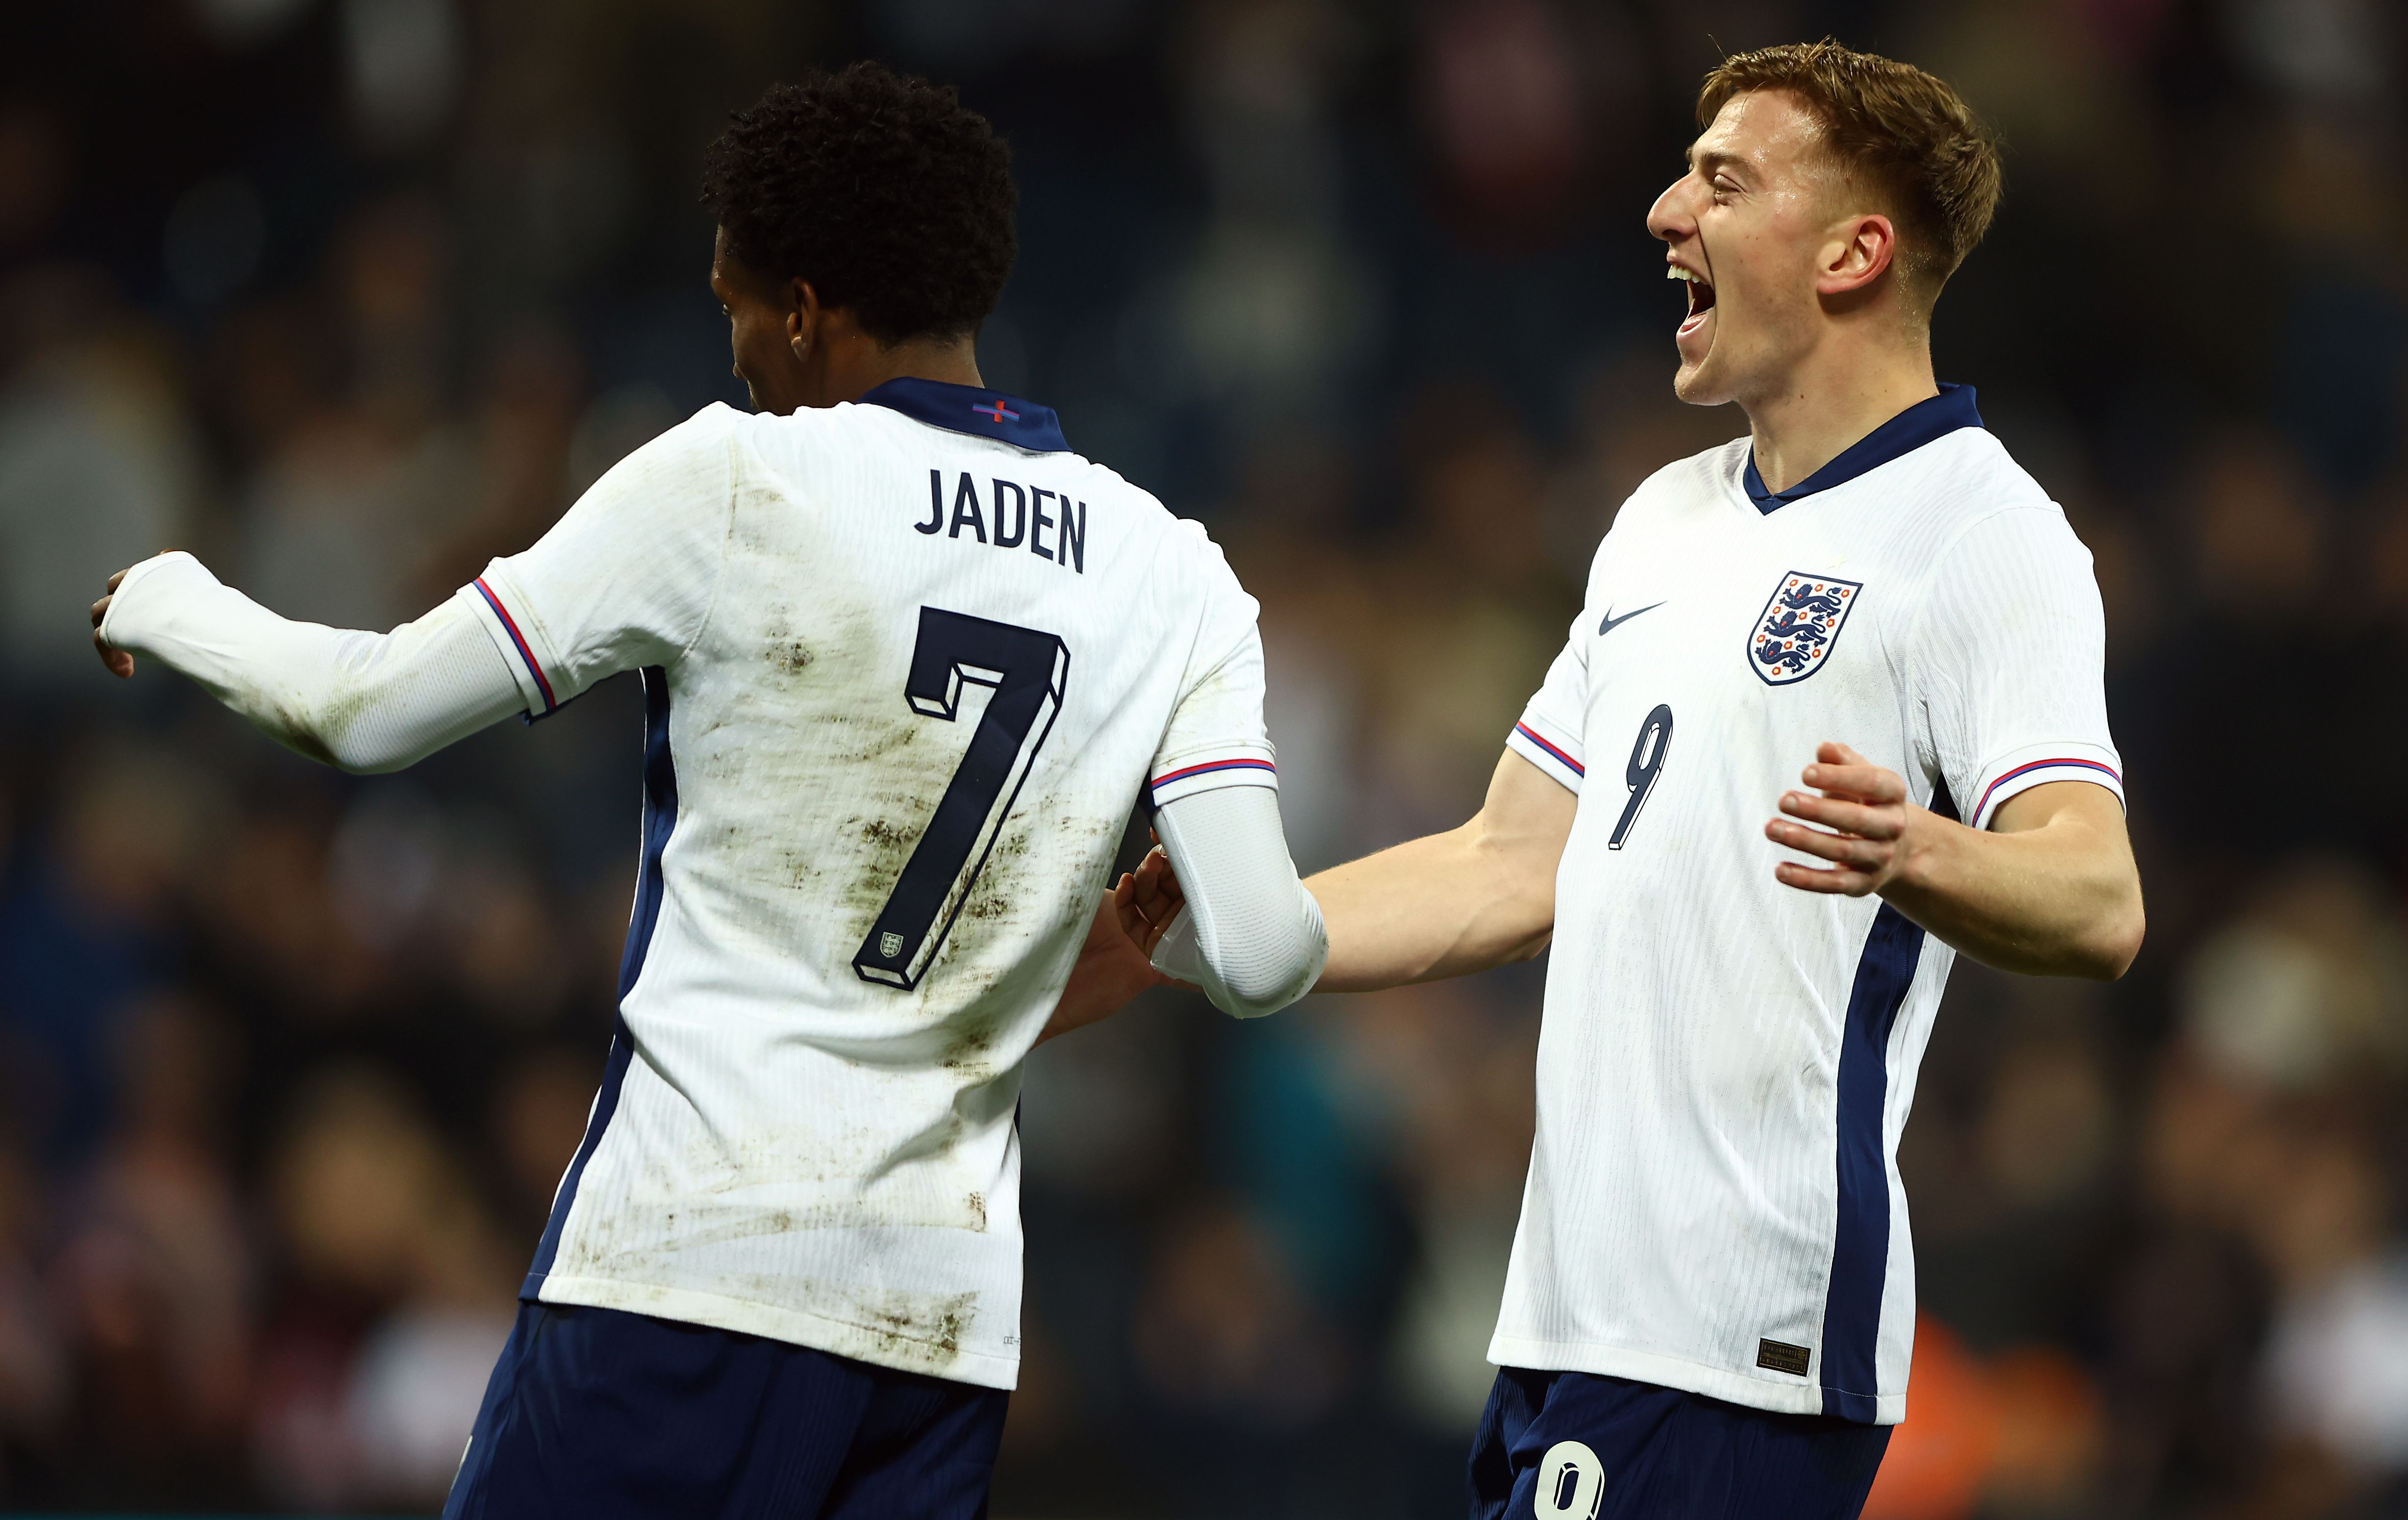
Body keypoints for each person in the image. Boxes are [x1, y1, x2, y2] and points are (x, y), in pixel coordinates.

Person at [89, 63, 1326, 1520]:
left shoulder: (735, 481)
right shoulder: (1170, 566)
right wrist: (1123, 943)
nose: (734, 345)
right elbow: (1263, 947)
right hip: (939, 1331)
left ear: (802, 306)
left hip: (685, 1272)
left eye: (736, 301)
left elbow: (360, 714)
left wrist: (167, 600)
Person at [1124, 39, 2145, 1520]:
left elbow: (2097, 893)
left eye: (1723, 182)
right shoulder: (1661, 521)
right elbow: (1505, 860)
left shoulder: (1985, 534)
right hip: (1571, 1318)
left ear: (1857, 250)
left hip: (1738, 1327)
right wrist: (1203, 933)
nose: (1666, 210)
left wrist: (1913, 849)